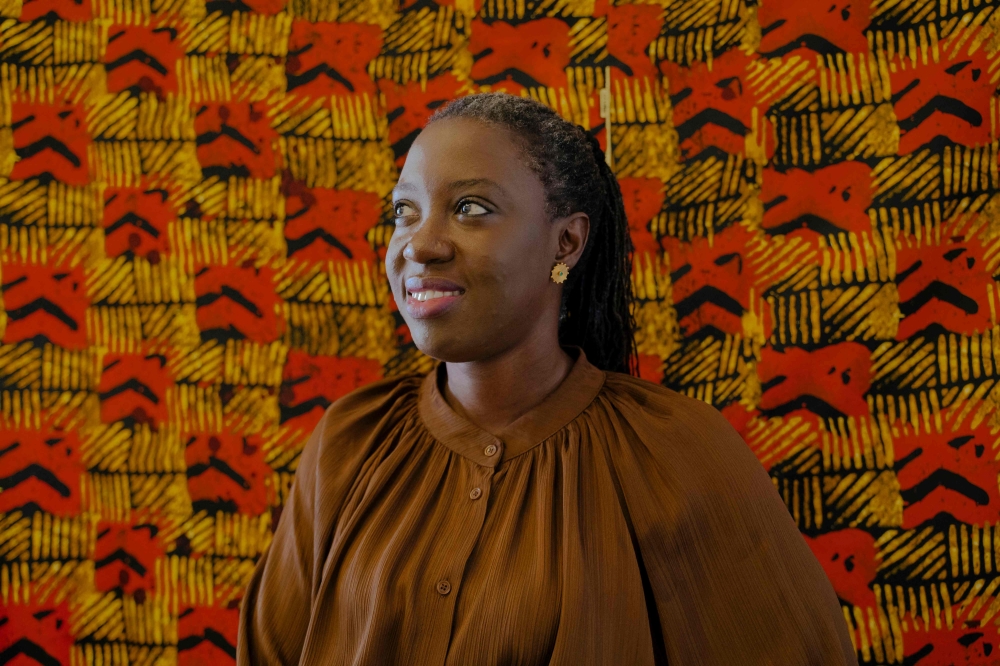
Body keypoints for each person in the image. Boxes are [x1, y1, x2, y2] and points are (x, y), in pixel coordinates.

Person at [237, 92, 858, 665]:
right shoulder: (350, 442)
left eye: (470, 209)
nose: (419, 245)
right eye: (404, 211)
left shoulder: (676, 455)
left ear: (565, 242)